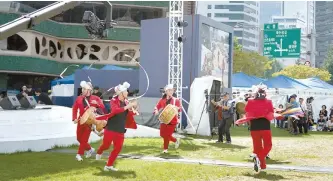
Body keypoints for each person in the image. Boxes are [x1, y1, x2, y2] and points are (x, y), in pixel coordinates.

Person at [95, 82, 138, 171]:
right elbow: (115, 111)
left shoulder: (126, 101)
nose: (127, 93)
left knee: (118, 148)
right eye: (126, 91)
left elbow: (130, 113)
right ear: (121, 93)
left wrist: (134, 109)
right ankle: (99, 151)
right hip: (111, 128)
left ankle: (108, 165)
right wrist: (127, 107)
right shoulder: (113, 101)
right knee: (106, 145)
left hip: (120, 129)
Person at [236, 84, 274, 173]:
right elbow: (271, 112)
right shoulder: (268, 101)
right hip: (265, 127)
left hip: (254, 127)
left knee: (257, 148)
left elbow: (247, 111)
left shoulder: (250, 101)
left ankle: (262, 165)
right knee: (268, 146)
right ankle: (260, 158)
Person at [72, 81, 106, 161]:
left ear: (89, 90)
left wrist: (97, 103)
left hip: (90, 122)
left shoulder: (96, 98)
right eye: (82, 89)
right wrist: (74, 118)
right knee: (79, 138)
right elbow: (75, 108)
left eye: (84, 89)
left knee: (84, 139)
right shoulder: (79, 98)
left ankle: (79, 154)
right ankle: (90, 149)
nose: (82, 90)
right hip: (81, 120)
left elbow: (103, 107)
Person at [154, 84, 181, 153]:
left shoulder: (176, 100)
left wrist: (177, 109)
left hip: (173, 121)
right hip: (163, 119)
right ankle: (175, 140)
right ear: (166, 91)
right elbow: (157, 107)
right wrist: (156, 110)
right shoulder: (162, 100)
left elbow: (180, 109)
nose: (171, 91)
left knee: (167, 135)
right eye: (169, 90)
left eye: (172, 90)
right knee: (162, 134)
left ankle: (165, 149)